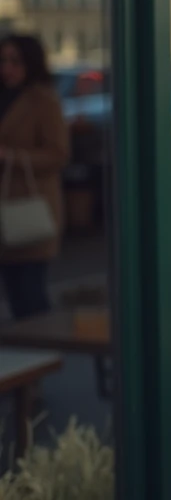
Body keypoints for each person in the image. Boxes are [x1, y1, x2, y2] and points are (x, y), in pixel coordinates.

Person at [0, 35, 68, 320]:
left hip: (30, 209)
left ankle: (42, 344)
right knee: (15, 297)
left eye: (15, 61)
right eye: (3, 60)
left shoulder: (43, 101)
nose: (7, 68)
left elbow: (59, 154)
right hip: (5, 213)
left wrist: (10, 156)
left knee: (30, 298)